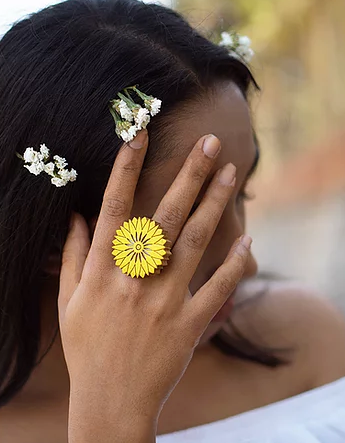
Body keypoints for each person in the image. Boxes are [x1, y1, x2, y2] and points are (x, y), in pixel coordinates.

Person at [0, 0, 345, 442]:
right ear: (52, 243)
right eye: (190, 220)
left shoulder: (303, 340)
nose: (246, 266)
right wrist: (110, 422)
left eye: (242, 195)